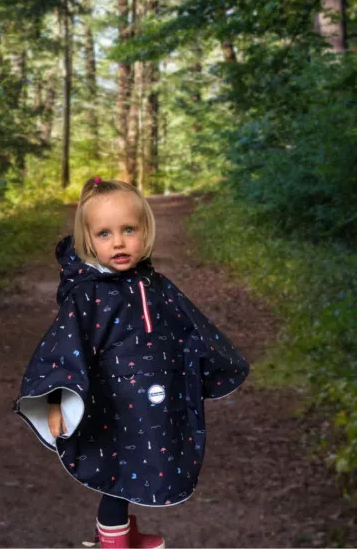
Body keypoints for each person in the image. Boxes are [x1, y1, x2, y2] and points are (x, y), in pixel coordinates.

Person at [13, 177, 250, 549]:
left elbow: (190, 328)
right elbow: (63, 350)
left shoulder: (154, 284)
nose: (119, 242)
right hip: (114, 401)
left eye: (128, 230)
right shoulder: (88, 296)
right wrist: (57, 400)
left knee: (144, 461)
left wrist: (207, 365)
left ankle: (120, 529)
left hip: (155, 399)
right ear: (89, 240)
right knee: (117, 463)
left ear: (146, 231)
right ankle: (114, 540)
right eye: (105, 234)